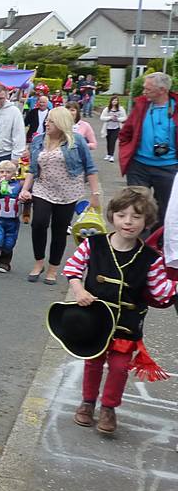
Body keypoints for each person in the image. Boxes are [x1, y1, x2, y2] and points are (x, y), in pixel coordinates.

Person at [63, 186, 175, 434]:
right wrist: (78, 290)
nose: (128, 222)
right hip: (93, 321)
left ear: (147, 221)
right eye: (122, 215)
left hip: (127, 325)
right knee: (93, 363)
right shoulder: (94, 243)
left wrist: (174, 282)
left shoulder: (151, 258)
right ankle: (87, 402)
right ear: (112, 215)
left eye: (136, 217)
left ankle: (109, 408)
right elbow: (72, 268)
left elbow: (160, 292)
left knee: (119, 367)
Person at [19, 107, 100, 285]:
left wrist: (95, 194)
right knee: (38, 223)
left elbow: (90, 168)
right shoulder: (39, 140)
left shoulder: (77, 141)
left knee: (59, 230)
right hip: (43, 189)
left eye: (51, 121)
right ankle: (38, 262)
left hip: (68, 192)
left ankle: (53, 268)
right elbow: (33, 169)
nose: (47, 123)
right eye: (47, 120)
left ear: (62, 123)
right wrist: (25, 189)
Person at [118, 72, 178, 228]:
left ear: (162, 90)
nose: (144, 92)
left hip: (169, 167)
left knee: (165, 209)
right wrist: (126, 149)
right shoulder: (142, 105)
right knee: (136, 206)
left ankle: (156, 244)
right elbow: (126, 132)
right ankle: (137, 242)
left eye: (148, 89)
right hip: (139, 166)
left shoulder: (175, 107)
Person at [99, 95, 127, 163]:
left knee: (113, 141)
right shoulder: (107, 109)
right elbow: (102, 117)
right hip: (107, 128)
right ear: (111, 101)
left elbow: (125, 117)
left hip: (116, 128)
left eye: (116, 100)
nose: (115, 102)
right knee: (108, 141)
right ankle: (108, 154)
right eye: (113, 100)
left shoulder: (121, 109)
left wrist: (117, 119)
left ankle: (111, 155)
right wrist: (110, 118)